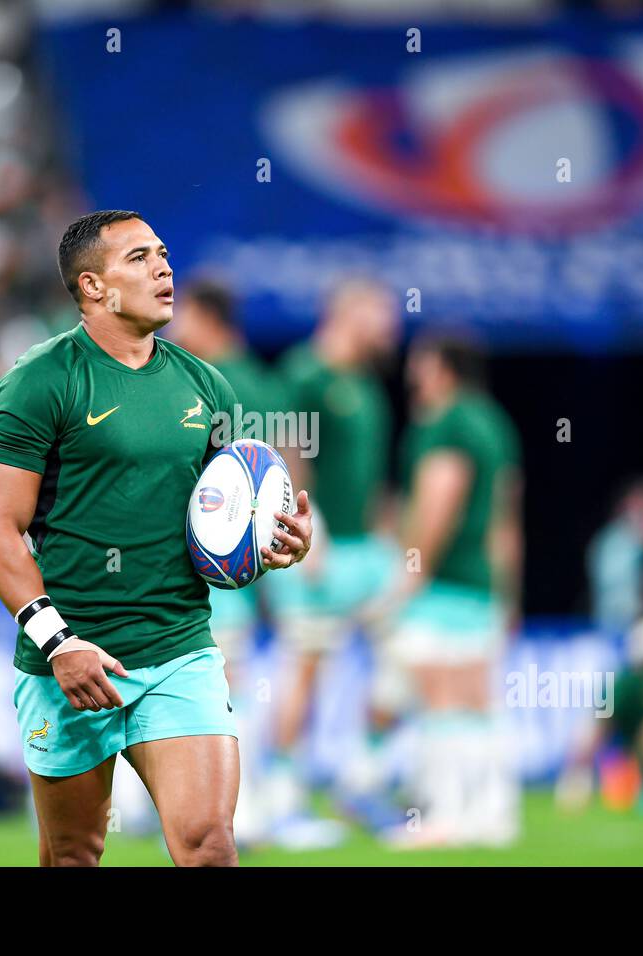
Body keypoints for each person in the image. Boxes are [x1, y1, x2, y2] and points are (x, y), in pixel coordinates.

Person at [0, 211, 313, 867]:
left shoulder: (205, 384)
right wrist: (60, 643)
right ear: (93, 286)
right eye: (139, 258)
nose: (164, 267)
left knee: (209, 845)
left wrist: (276, 544)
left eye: (163, 252)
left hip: (180, 650)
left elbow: (219, 523)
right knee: (73, 854)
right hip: (71, 661)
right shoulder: (41, 380)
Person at [373, 332, 524, 846]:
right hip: (480, 584)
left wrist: (409, 574)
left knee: (438, 699)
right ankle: (494, 812)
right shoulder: (493, 422)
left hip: (442, 584)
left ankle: (443, 814)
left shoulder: (448, 422)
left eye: (421, 362)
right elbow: (506, 519)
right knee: (476, 702)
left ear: (442, 370)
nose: (413, 372)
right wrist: (508, 593)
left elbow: (440, 499)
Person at [263, 279, 399, 836]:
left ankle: (361, 780)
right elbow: (286, 448)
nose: (392, 326)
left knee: (409, 656)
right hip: (313, 547)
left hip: (367, 551)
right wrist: (305, 533)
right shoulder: (303, 372)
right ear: (351, 312)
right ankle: (283, 797)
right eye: (383, 313)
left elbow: (375, 479)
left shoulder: (367, 387)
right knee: (306, 667)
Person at [169, 280, 276, 844]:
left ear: (208, 317)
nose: (175, 327)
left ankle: (245, 808)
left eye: (184, 314)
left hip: (216, 567)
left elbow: (256, 479)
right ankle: (181, 807)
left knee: (222, 687)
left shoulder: (221, 384)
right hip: (221, 567)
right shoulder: (252, 378)